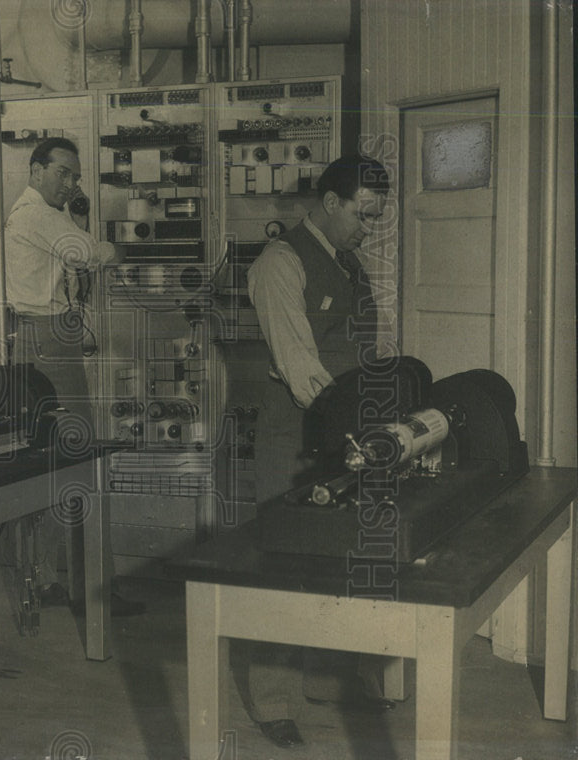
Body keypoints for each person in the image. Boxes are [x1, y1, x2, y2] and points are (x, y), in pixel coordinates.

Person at [235, 154, 394, 748]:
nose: (367, 227)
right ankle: (272, 699)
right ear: (331, 202)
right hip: (298, 436)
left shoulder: (347, 263)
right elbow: (300, 365)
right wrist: (353, 427)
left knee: (340, 559)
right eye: (362, 213)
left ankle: (329, 678)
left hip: (342, 435)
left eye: (375, 217)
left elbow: (363, 351)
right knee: (284, 565)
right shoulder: (280, 263)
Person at [4, 137, 144, 617]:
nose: (71, 183)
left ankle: (46, 580)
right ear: (36, 170)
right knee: (82, 460)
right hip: (48, 341)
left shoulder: (48, 213)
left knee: (50, 463)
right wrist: (116, 247)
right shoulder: (35, 215)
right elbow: (89, 254)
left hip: (43, 338)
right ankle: (92, 590)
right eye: (62, 173)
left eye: (76, 176)